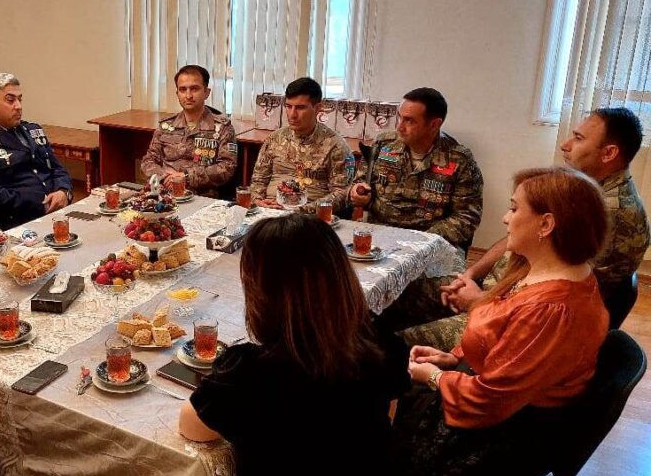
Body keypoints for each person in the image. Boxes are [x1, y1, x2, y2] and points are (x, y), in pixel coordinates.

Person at [395, 167, 609, 476]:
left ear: (545, 225)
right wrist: (453, 357)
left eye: (514, 208)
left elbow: (491, 400)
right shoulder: (542, 272)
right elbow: (503, 338)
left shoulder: (552, 309)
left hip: (506, 431)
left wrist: (435, 377)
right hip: (496, 398)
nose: (505, 218)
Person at [178, 214, 410, 476]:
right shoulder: (383, 343)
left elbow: (192, 428)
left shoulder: (250, 373)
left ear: (261, 293)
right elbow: (387, 416)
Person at [406, 108, 649, 350]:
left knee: (398, 344)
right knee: (404, 292)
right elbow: (517, 238)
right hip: (495, 295)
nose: (565, 145)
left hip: (513, 325)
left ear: (609, 153)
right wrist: (470, 275)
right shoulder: (583, 191)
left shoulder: (606, 215)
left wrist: (478, 301)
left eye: (578, 138)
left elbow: (549, 301)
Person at [348, 87, 483, 254]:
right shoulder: (383, 144)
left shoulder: (459, 160)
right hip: (380, 235)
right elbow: (359, 183)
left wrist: (422, 241)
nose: (399, 127)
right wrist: (358, 193)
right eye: (399, 117)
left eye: (409, 121)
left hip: (431, 242)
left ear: (434, 124)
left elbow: (467, 217)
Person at [0, 73, 74, 229]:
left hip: (55, 213)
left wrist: (63, 191)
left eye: (20, 99)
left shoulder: (33, 130)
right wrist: (42, 204)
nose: (18, 106)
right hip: (16, 223)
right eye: (10, 100)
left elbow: (57, 169)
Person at [249, 77, 354, 211]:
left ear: (317, 108)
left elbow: (342, 194)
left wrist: (301, 210)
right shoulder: (274, 139)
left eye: (300, 108)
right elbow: (258, 180)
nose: (292, 114)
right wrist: (258, 201)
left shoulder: (336, 146)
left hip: (309, 215)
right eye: (288, 106)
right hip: (269, 211)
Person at [140, 65, 238, 197]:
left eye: (194, 89)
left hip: (201, 198)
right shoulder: (166, 126)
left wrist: (186, 177)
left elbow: (227, 168)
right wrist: (165, 176)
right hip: (165, 195)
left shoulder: (222, 128)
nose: (188, 95)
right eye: (182, 89)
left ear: (206, 92)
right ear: (177, 94)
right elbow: (148, 161)